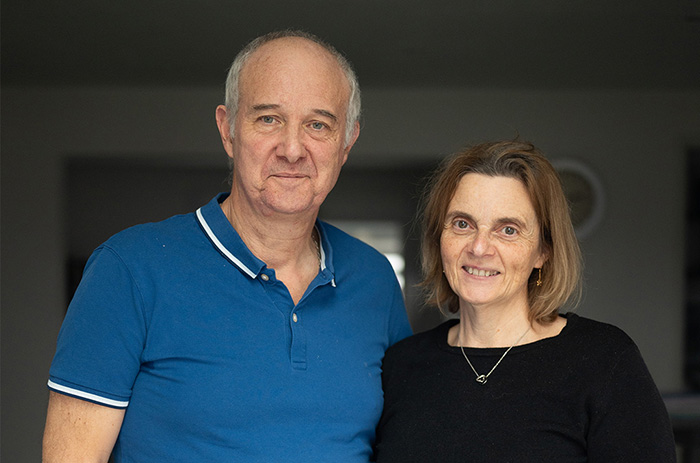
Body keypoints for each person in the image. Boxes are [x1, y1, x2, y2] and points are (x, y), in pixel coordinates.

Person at [43, 30, 412, 462]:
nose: (292, 149)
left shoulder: (374, 278)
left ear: (346, 143)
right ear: (228, 130)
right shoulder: (128, 270)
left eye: (318, 125)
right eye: (268, 119)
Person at [373, 141, 676, 462]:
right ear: (439, 238)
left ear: (543, 251)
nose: (479, 247)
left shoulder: (605, 360)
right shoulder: (401, 365)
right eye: (462, 224)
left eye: (508, 230)